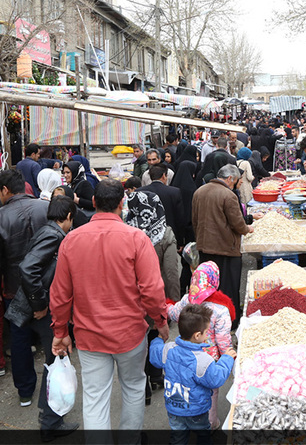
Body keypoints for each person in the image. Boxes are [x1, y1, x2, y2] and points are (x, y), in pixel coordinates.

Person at [50, 178, 169, 439]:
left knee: (94, 397)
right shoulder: (137, 239)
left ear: (93, 203)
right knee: (134, 387)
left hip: (89, 335)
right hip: (130, 334)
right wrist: (161, 322)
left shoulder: (71, 240)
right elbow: (151, 289)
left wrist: (60, 330)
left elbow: (60, 294)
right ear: (122, 203)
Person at [8, 195, 79, 440]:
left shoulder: (47, 230)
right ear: (68, 216)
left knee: (54, 358)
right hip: (43, 309)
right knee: (57, 358)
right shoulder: (53, 235)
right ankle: (51, 422)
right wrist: (39, 303)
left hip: (41, 306)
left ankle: (49, 415)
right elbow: (28, 268)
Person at [0, 169, 49, 407]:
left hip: (15, 288)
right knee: (51, 336)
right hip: (46, 284)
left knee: (20, 341)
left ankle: (25, 391)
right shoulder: (45, 208)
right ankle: (54, 391)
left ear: (5, 190)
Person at [149, 304, 236, 445]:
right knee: (203, 434)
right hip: (197, 411)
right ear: (197, 335)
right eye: (207, 331)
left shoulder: (168, 349)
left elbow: (154, 353)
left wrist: (158, 339)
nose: (208, 334)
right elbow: (216, 378)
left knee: (178, 437)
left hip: (174, 408)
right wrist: (227, 358)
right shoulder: (203, 360)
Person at [166, 262, 236, 430]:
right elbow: (223, 339)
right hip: (209, 359)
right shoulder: (221, 309)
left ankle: (184, 419)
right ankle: (210, 423)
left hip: (185, 354)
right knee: (210, 391)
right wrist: (228, 356)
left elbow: (174, 314)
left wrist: (167, 306)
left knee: (186, 386)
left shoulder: (187, 300)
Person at [191, 164, 253, 325]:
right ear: (230, 179)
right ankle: (230, 320)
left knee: (209, 286)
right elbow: (237, 223)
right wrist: (248, 229)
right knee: (229, 286)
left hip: (205, 246)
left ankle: (210, 320)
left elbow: (195, 220)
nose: (235, 184)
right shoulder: (228, 195)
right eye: (236, 180)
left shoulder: (199, 191)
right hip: (226, 248)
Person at [131, 168, 182, 302]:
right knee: (169, 274)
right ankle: (171, 306)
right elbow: (171, 273)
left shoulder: (131, 233)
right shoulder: (166, 232)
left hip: (139, 304)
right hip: (168, 236)